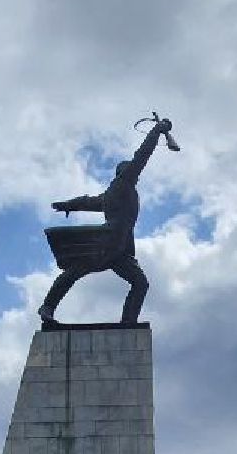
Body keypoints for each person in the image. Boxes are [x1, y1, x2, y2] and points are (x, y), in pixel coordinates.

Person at [38, 118, 172, 326]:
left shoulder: (115, 193)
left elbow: (88, 201)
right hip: (107, 244)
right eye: (130, 170)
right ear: (123, 173)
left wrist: (68, 205)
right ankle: (47, 307)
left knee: (138, 283)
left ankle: (128, 322)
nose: (135, 173)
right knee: (76, 272)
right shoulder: (122, 184)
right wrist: (157, 129)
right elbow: (142, 155)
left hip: (119, 249)